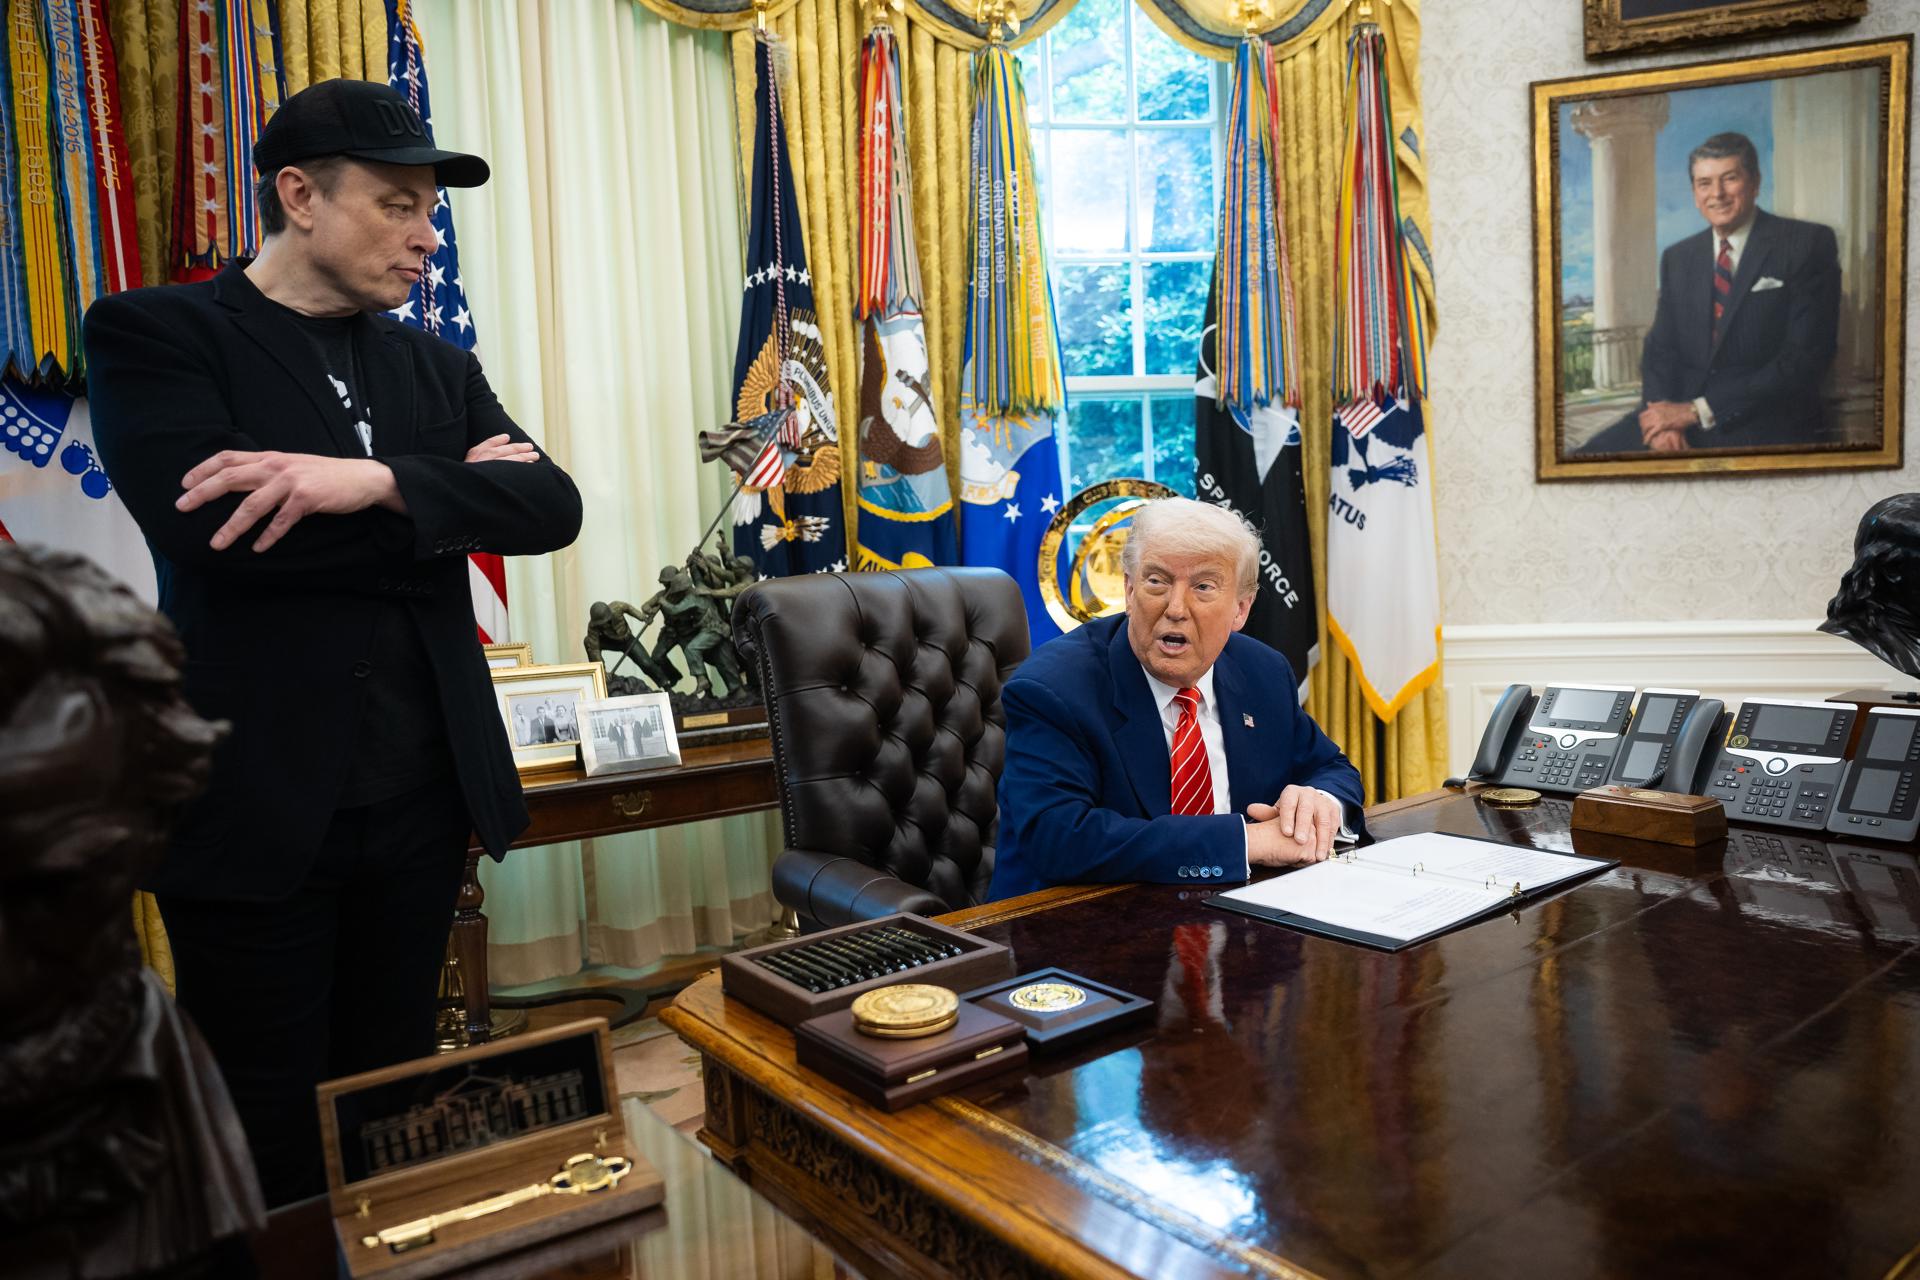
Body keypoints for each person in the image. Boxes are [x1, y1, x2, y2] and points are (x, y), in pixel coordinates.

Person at [84, 78, 583, 1208]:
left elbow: (551, 507)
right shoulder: (157, 333)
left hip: (419, 799)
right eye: (398, 206)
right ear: (300, 195)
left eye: (430, 213)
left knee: (393, 1097)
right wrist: (444, 500)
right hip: (254, 803)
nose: (426, 237)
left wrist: (364, 483)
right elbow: (223, 538)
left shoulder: (434, 364)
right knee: (264, 1127)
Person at [989, 498, 1365, 900]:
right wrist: (1247, 842)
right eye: (1157, 581)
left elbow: (1331, 768)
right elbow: (1059, 838)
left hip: (1241, 913)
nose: (1176, 608)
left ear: (1240, 609)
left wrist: (1316, 804)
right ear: (1129, 590)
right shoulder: (1054, 689)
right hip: (1076, 921)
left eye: (1203, 587)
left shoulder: (1263, 672)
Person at [1579, 131, 1840, 455]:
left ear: (1755, 183)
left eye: (1730, 178)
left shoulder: (1805, 243)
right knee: (1583, 460)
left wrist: (1696, 411)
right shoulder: (1678, 257)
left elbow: (1804, 358)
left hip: (1762, 418)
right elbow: (1660, 349)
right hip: (1677, 416)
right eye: (1704, 183)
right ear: (1694, 193)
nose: (1717, 194)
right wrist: (1662, 420)